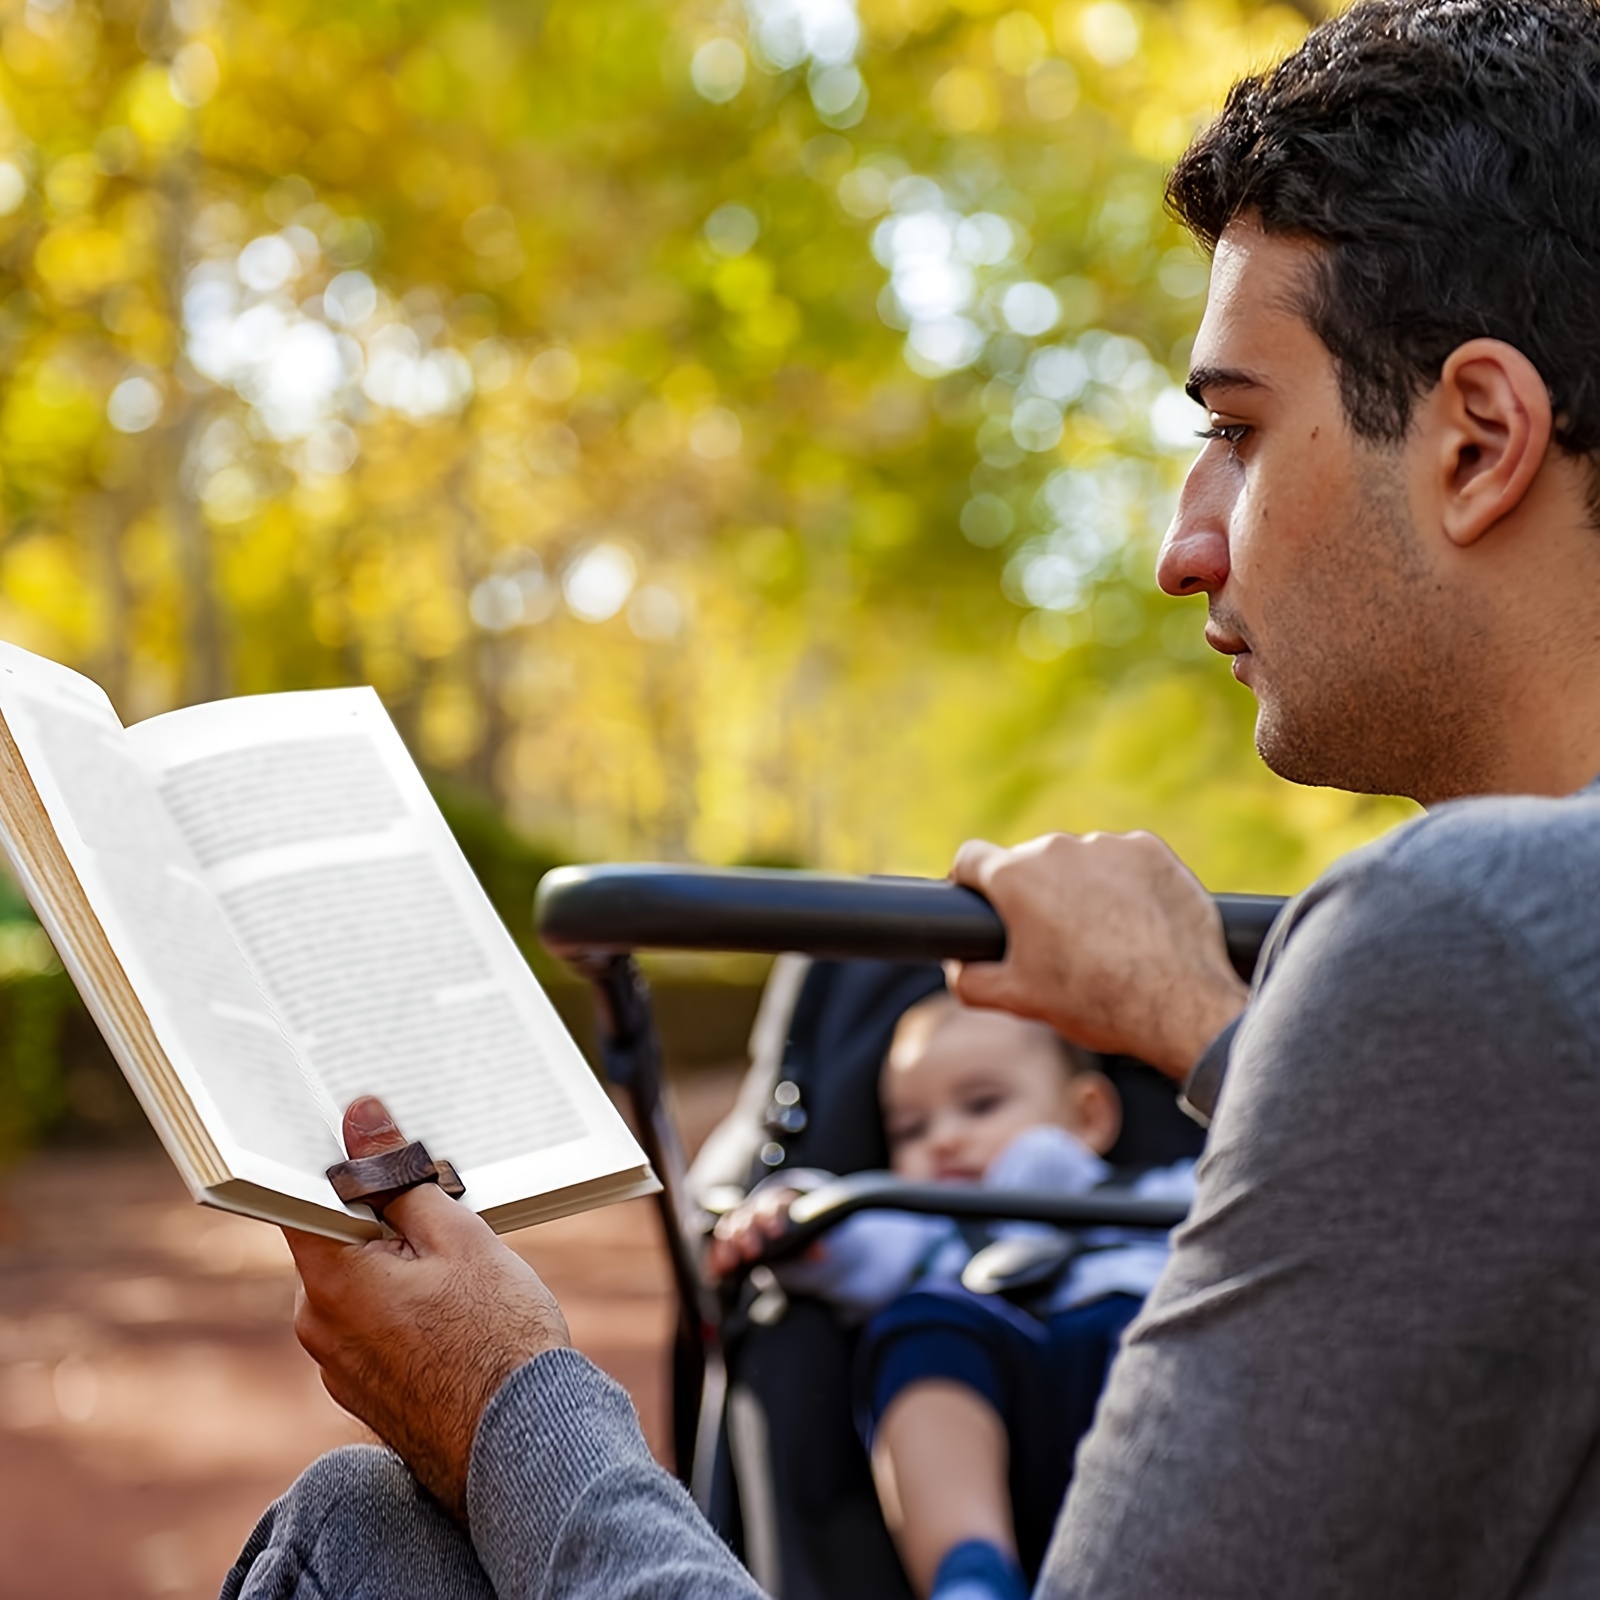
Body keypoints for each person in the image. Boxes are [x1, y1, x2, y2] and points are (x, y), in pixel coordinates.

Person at [223, 2, 1600, 1596]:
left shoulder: (1460, 937)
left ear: (1482, 438)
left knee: (365, 1529)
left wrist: (506, 1401)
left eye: (1236, 431)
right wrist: (1210, 1032)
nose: (1184, 546)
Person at [707, 995, 1194, 1600]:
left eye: (982, 1104)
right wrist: (788, 1212)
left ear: (1088, 1116)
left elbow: (1261, 1205)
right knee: (922, 1332)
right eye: (912, 1129)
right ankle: (970, 1574)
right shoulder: (920, 1231)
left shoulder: (1160, 1200)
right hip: (990, 1404)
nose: (944, 1140)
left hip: (1134, 1388)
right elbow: (839, 1242)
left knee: (1179, 1335)